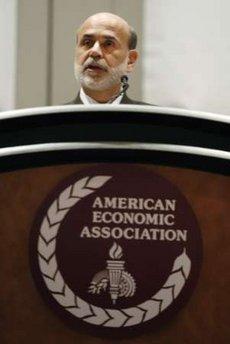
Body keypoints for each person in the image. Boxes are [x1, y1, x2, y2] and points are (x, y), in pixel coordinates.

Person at [69, 12, 149, 105]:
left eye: (108, 44)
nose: (95, 52)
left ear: (130, 61)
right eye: (87, 42)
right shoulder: (51, 118)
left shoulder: (156, 118)